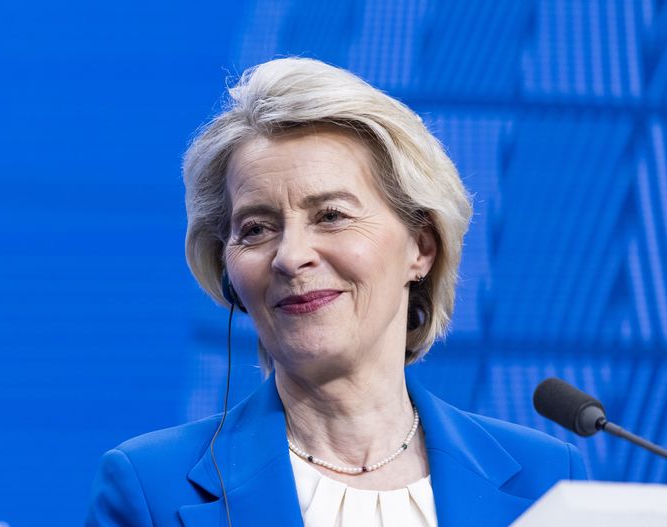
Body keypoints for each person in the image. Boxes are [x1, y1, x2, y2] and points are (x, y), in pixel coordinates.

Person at [85, 57, 586, 527]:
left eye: (331, 216)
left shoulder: (547, 478)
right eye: (256, 229)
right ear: (228, 277)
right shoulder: (150, 487)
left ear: (421, 248)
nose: (290, 256)